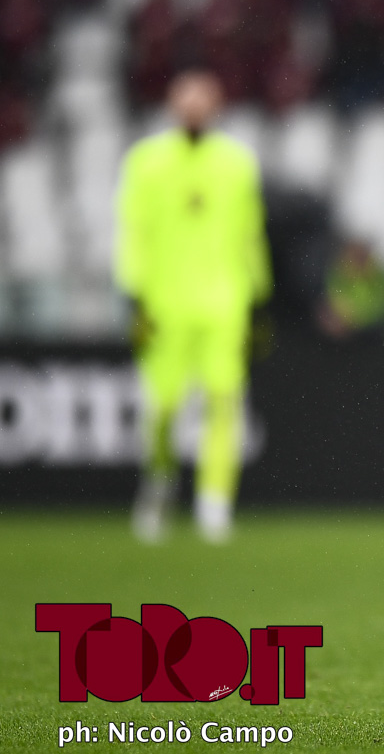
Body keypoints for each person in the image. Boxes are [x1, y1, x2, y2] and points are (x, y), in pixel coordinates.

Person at [115, 69, 272, 544]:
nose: (194, 109)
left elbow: (249, 232)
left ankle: (213, 502)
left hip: (225, 301)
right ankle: (160, 482)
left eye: (203, 101)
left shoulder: (237, 163)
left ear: (217, 107)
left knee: (224, 400)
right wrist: (133, 291)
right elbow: (134, 229)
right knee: (162, 406)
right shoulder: (145, 161)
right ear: (171, 105)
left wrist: (258, 295)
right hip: (163, 303)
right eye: (187, 101)